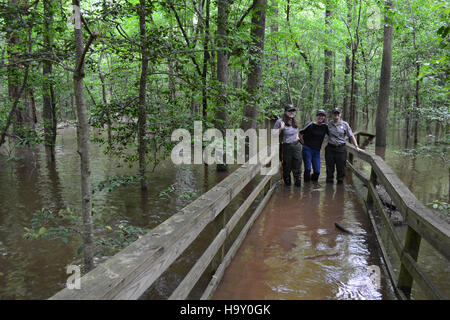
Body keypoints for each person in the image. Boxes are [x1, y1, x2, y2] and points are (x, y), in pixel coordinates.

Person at [325, 108, 361, 184]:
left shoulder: (345, 124)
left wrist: (356, 146)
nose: (336, 115)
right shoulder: (329, 124)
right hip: (330, 149)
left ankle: (340, 190)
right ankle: (328, 190)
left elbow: (351, 136)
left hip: (341, 149)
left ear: (340, 114)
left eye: (338, 113)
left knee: (341, 170)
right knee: (329, 169)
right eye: (335, 113)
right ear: (332, 114)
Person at [274, 104, 302, 187]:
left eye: (293, 111)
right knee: (286, 168)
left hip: (296, 146)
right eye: (289, 111)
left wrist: (297, 137)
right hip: (285, 147)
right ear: (286, 112)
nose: (291, 112)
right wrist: (281, 129)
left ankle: (298, 190)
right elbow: (273, 135)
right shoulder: (280, 121)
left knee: (297, 167)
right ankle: (287, 190)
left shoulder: (295, 121)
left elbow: (296, 132)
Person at [299, 109, 329, 182]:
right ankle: (306, 187)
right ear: (317, 116)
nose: (321, 117)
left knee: (317, 171)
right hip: (307, 149)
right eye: (319, 115)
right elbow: (300, 133)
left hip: (317, 151)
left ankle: (314, 186)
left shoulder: (325, 127)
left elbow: (332, 135)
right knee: (308, 169)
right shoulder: (310, 125)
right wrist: (303, 143)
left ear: (324, 117)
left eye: (322, 116)